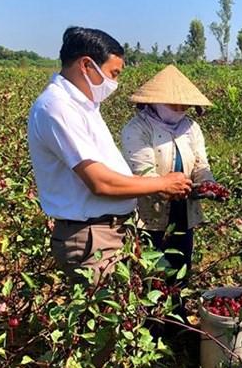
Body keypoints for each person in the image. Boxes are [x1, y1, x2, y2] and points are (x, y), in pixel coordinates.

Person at [27, 27, 192, 287]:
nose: (114, 83)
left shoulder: (84, 106)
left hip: (111, 231)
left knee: (128, 313)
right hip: (92, 237)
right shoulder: (57, 108)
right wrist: (163, 183)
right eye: (113, 73)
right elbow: (100, 182)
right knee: (106, 320)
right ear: (86, 65)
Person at [121, 65, 215, 293]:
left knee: (181, 264)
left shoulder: (191, 128)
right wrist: (169, 186)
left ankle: (177, 314)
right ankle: (152, 322)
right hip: (149, 213)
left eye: (184, 105)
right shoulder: (138, 128)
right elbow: (143, 173)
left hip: (184, 210)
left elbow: (201, 165)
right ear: (155, 101)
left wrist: (207, 185)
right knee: (152, 270)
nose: (180, 109)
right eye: (174, 104)